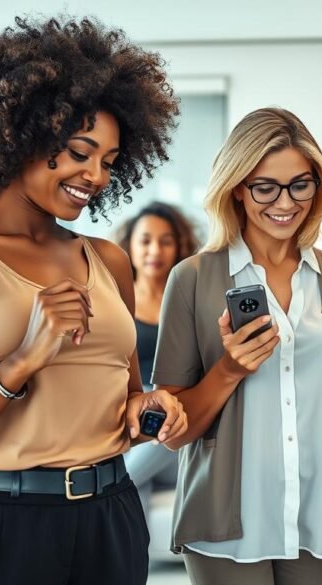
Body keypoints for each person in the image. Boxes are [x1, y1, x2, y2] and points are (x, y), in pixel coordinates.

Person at [0, 16, 186, 585]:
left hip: (110, 518)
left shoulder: (108, 259)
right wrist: (21, 362)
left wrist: (147, 408)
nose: (95, 175)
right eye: (79, 152)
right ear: (20, 133)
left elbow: (125, 397)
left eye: (109, 161)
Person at [152, 107, 322, 584]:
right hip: (225, 525)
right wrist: (229, 369)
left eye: (300, 185)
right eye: (265, 187)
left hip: (321, 516)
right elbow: (172, 433)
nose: (285, 202)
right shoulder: (192, 279)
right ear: (237, 187)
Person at [114, 202, 201, 516]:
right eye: (146, 240)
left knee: (164, 417)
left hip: (177, 431)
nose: (155, 250)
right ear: (130, 246)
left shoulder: (191, 300)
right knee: (138, 484)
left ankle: (114, 482)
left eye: (166, 241)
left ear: (179, 247)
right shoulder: (114, 301)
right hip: (128, 428)